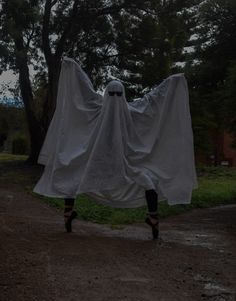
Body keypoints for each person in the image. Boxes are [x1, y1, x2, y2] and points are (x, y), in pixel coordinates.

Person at [34, 57, 197, 239]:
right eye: (113, 94)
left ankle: (69, 213)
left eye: (116, 95)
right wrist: (172, 82)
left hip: (113, 165)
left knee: (73, 176)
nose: (114, 99)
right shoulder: (127, 110)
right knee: (147, 181)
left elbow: (84, 93)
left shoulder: (101, 110)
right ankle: (152, 217)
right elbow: (152, 103)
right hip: (113, 165)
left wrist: (173, 83)